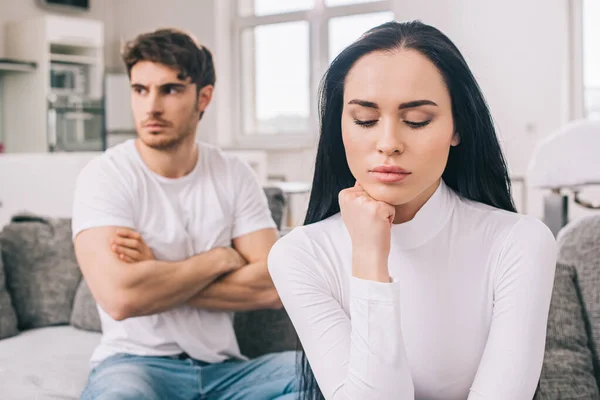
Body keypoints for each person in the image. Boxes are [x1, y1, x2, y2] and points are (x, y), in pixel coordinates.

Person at [268, 20, 557, 400]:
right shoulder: (299, 254)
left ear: (458, 127)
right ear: (339, 126)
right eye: (365, 120)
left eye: (416, 120)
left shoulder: (519, 242)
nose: (388, 143)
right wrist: (370, 258)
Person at [72, 28, 298, 400]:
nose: (151, 107)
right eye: (139, 89)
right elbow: (120, 297)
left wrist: (157, 275)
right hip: (134, 364)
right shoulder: (105, 176)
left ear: (203, 97)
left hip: (226, 370)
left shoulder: (234, 173)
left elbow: (274, 286)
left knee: (323, 376)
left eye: (170, 89)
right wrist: (218, 259)